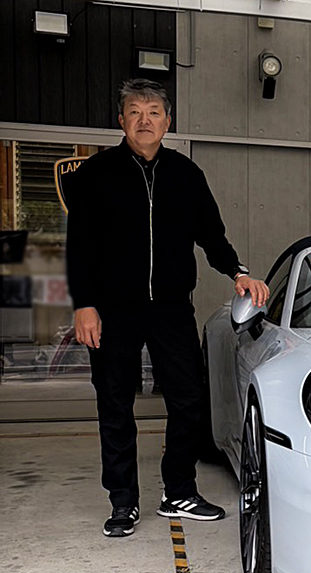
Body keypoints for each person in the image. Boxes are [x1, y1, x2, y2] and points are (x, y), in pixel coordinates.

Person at [67, 78, 269, 538]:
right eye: (135, 112)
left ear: (167, 121)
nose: (145, 120)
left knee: (189, 399)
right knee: (115, 403)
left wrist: (237, 271)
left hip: (171, 308)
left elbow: (211, 235)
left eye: (154, 112)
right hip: (112, 309)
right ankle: (123, 501)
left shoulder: (186, 174)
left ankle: (178, 489)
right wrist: (84, 305)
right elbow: (79, 246)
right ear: (121, 121)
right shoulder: (96, 174)